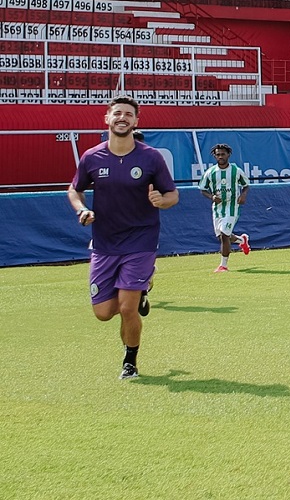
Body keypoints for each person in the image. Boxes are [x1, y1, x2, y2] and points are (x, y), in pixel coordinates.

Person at [67, 97, 179, 379]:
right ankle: (141, 287)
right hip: (104, 241)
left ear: (136, 121)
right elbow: (74, 190)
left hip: (140, 239)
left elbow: (172, 195)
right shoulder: (92, 156)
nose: (122, 118)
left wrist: (160, 200)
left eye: (128, 114)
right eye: (117, 113)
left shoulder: (151, 157)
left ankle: (130, 362)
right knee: (104, 312)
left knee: (128, 308)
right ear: (107, 118)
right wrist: (82, 210)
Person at [199, 144, 251, 273]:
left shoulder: (236, 171)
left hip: (232, 207)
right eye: (218, 154)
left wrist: (243, 195)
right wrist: (211, 197)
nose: (220, 157)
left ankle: (223, 265)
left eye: (223, 154)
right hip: (218, 209)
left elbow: (246, 185)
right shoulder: (210, 172)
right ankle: (241, 240)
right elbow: (202, 189)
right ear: (214, 156)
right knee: (222, 237)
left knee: (224, 234)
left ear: (228, 155)